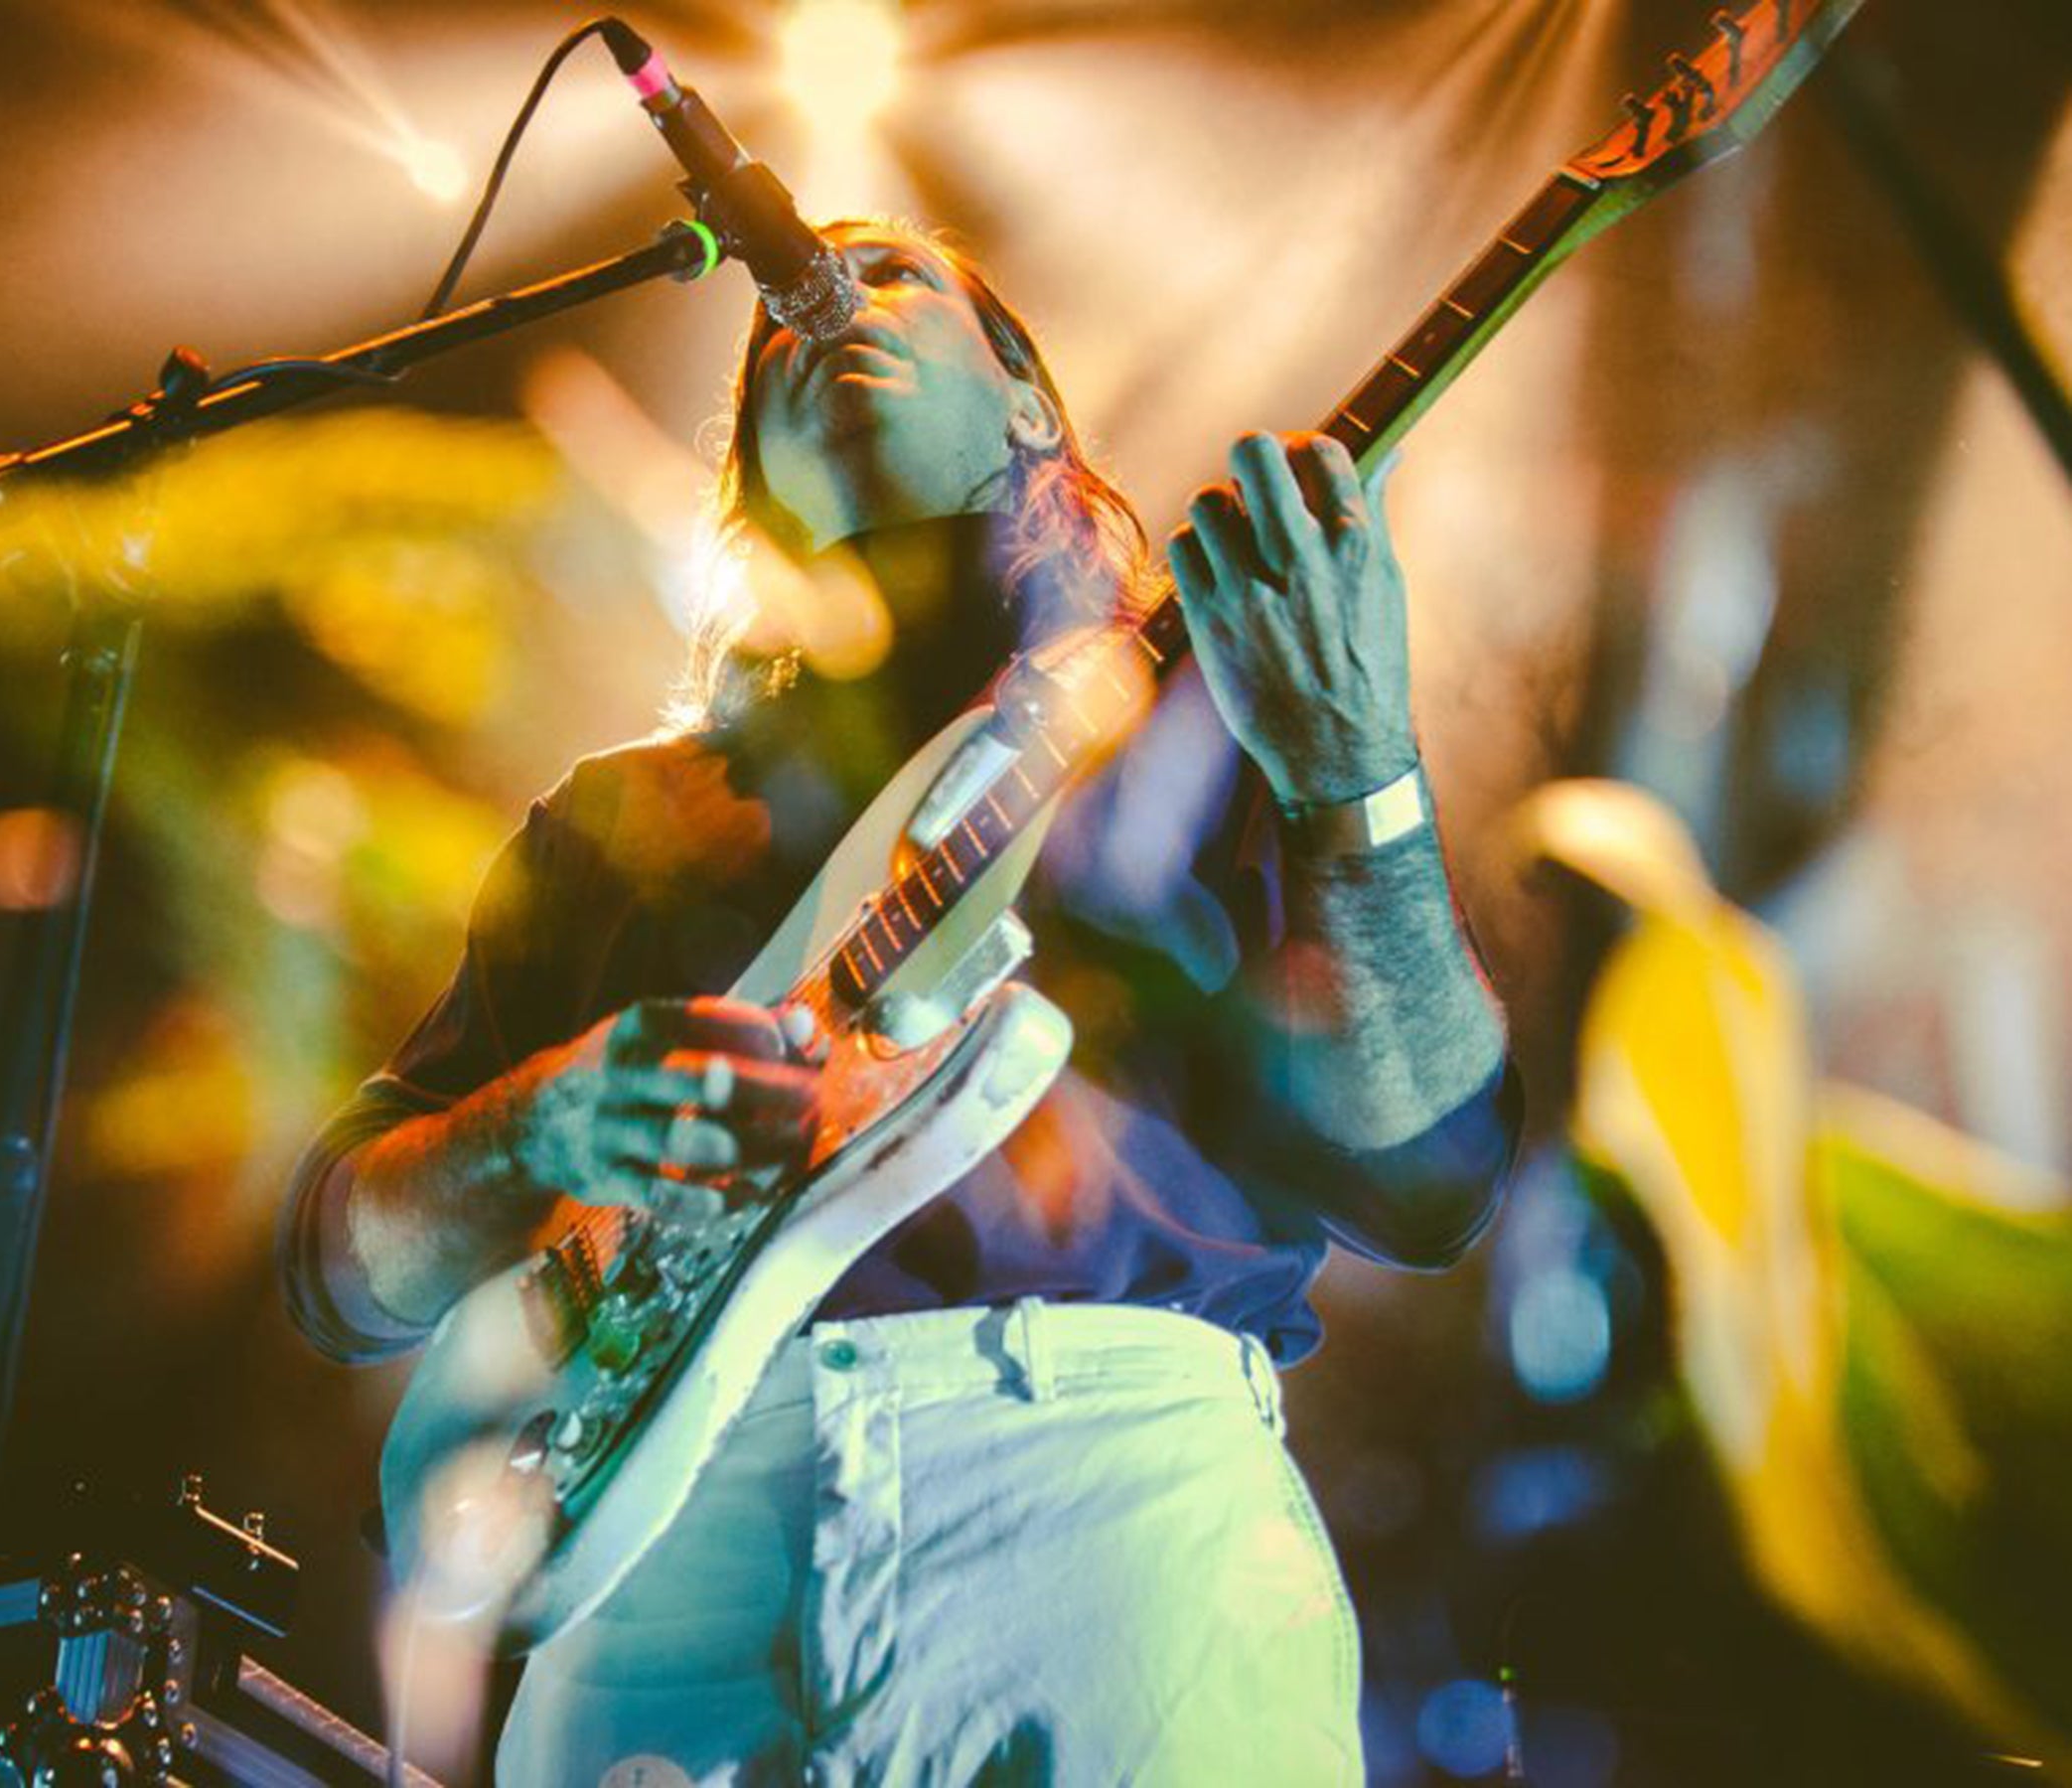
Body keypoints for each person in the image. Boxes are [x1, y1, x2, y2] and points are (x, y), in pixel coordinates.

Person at [281, 219, 1519, 1784]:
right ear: (749, 489)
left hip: (1087, 1494)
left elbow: (1434, 1180)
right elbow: (342, 1266)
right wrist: (538, 1129)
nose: (820, 303)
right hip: (650, 1558)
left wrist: (1354, 775)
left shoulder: (1212, 725)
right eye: (778, 325)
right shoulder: (608, 823)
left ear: (1026, 404)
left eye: (893, 278)